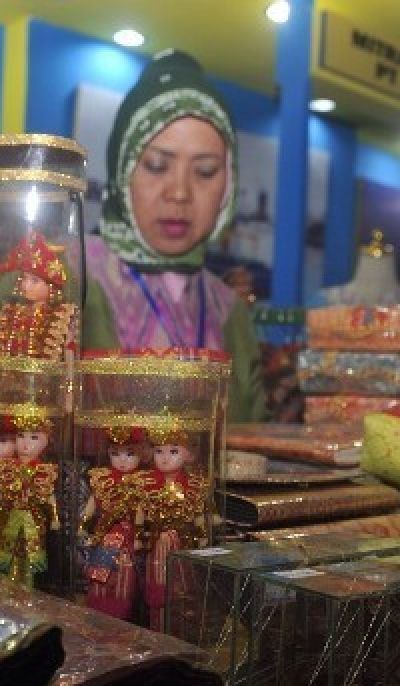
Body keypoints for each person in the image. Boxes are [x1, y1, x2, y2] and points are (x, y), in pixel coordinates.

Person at [82, 50, 266, 423]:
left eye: (206, 171)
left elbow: (254, 443)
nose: (179, 192)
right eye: (156, 165)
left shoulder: (229, 310)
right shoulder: (62, 277)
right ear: (122, 169)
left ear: (228, 185)